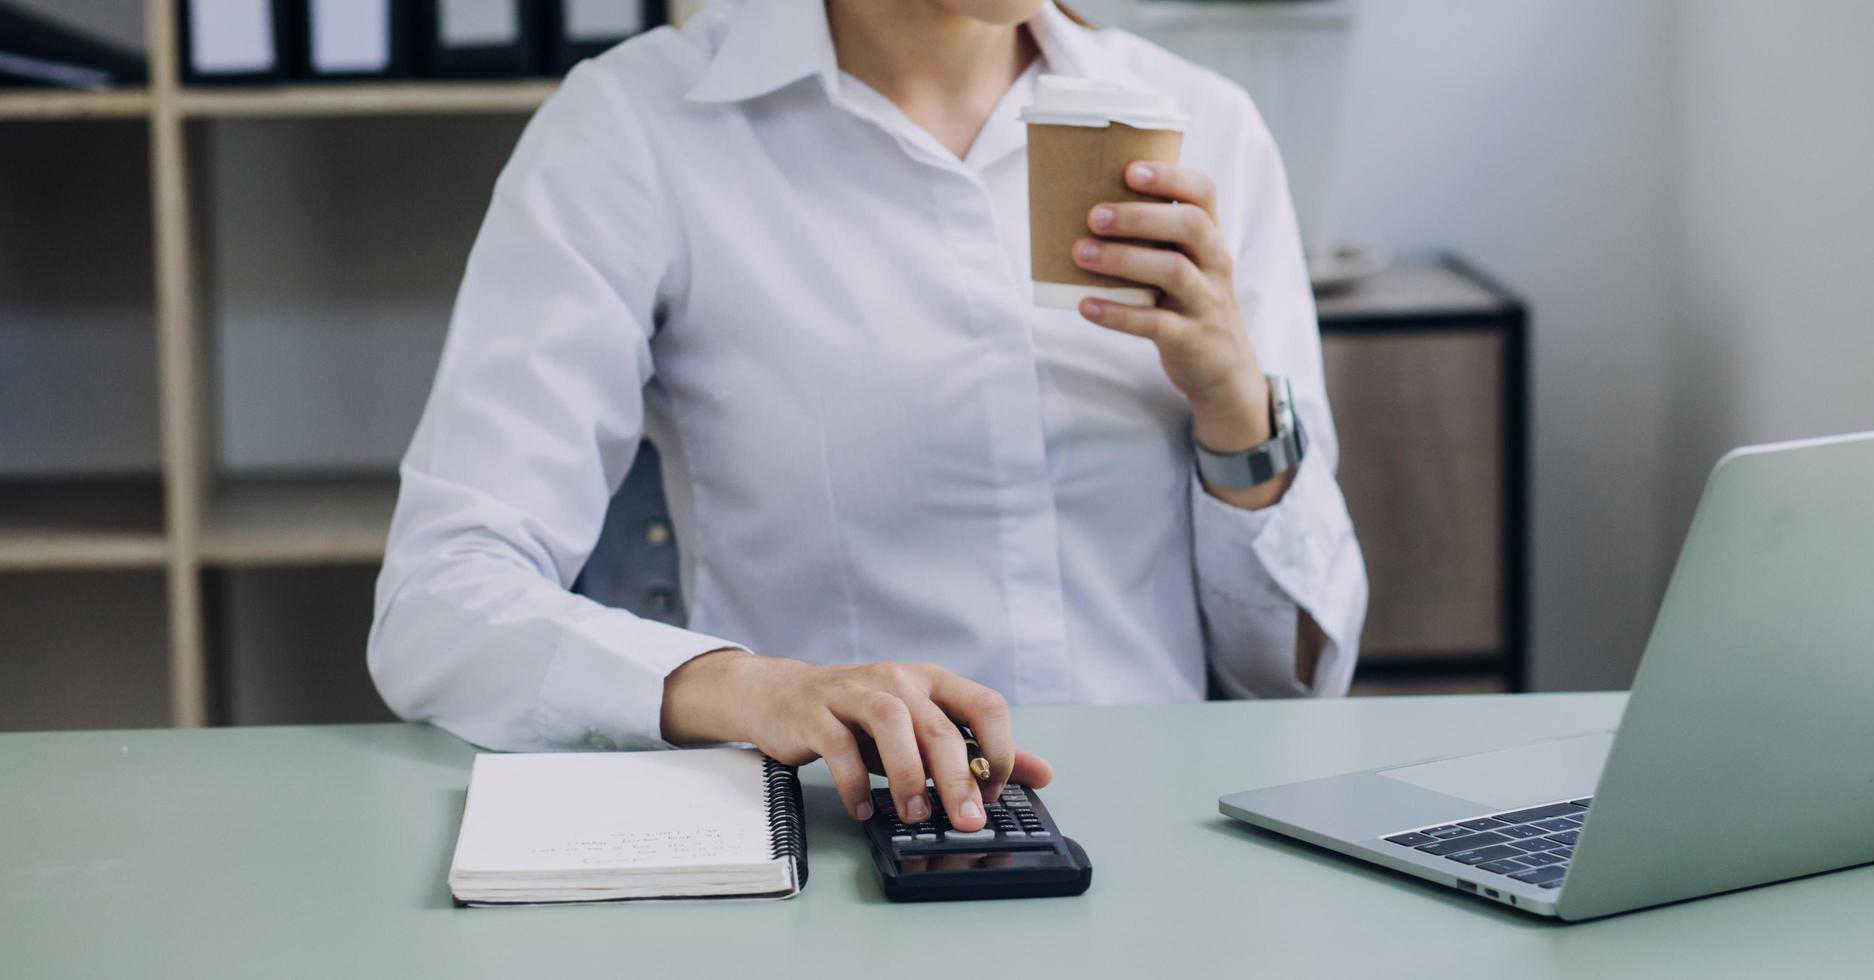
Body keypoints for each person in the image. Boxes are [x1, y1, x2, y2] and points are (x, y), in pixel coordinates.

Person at [368, 0, 1367, 834]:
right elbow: (440, 601)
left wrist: (1239, 410)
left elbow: (1295, 681)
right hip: (838, 855)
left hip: (1171, 852)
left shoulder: (1204, 127)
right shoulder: (639, 127)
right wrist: (755, 690)